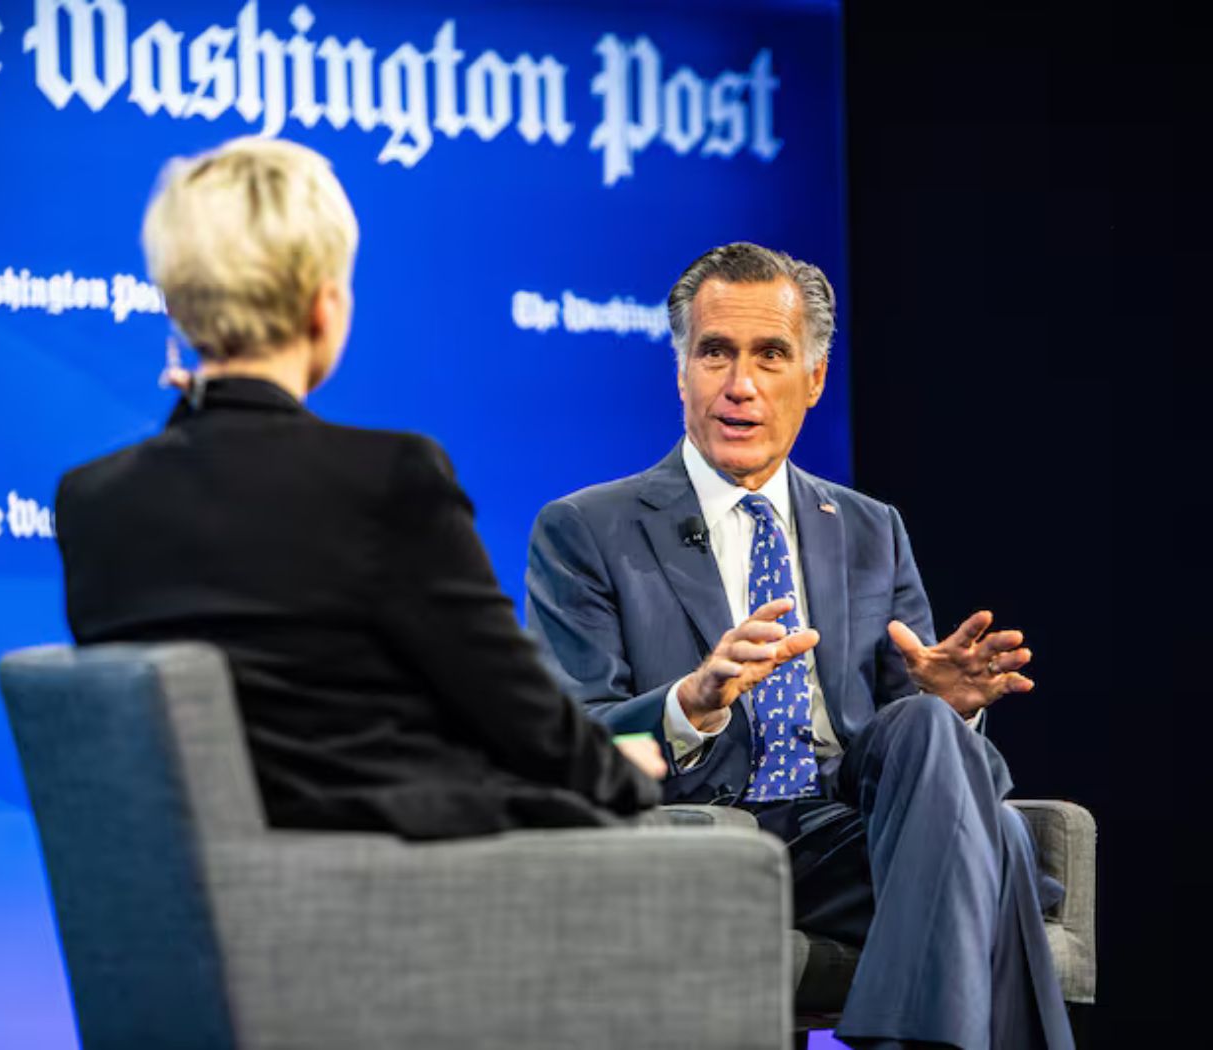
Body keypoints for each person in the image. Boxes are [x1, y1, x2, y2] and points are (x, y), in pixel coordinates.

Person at [525, 242, 1073, 1050]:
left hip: (851, 830)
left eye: (770, 355)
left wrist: (948, 708)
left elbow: (918, 758)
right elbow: (573, 744)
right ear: (682, 372)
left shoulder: (868, 528)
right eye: (715, 353)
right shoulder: (588, 530)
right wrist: (690, 705)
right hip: (707, 828)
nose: (739, 385)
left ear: (813, 380)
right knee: (1002, 858)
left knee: (925, 731)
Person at [55, 136, 664, 840]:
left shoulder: (90, 501)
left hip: (202, 898)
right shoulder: (387, 478)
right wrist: (624, 770)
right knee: (715, 847)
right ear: (325, 306)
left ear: (182, 309)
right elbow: (523, 718)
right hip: (395, 889)